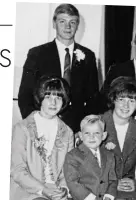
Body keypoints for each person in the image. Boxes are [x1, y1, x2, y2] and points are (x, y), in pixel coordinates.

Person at [9, 76, 81, 200]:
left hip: (57, 189)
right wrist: (44, 190)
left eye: (58, 97)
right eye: (48, 96)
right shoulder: (22, 128)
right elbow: (18, 171)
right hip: (28, 189)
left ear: (65, 102)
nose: (53, 102)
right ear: (40, 98)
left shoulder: (67, 132)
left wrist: (63, 189)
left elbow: (69, 169)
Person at [18, 3, 99, 133]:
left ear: (77, 25)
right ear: (54, 24)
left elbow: (93, 98)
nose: (68, 27)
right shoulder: (37, 54)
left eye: (72, 22)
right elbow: (25, 95)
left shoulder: (88, 56)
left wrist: (85, 129)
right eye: (62, 21)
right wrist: (35, 125)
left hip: (75, 128)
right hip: (42, 124)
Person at [63, 115, 117, 200]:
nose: (92, 137)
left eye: (96, 133)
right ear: (81, 136)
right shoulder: (73, 156)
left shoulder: (109, 155)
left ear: (103, 136)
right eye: (87, 133)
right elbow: (73, 183)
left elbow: (113, 180)